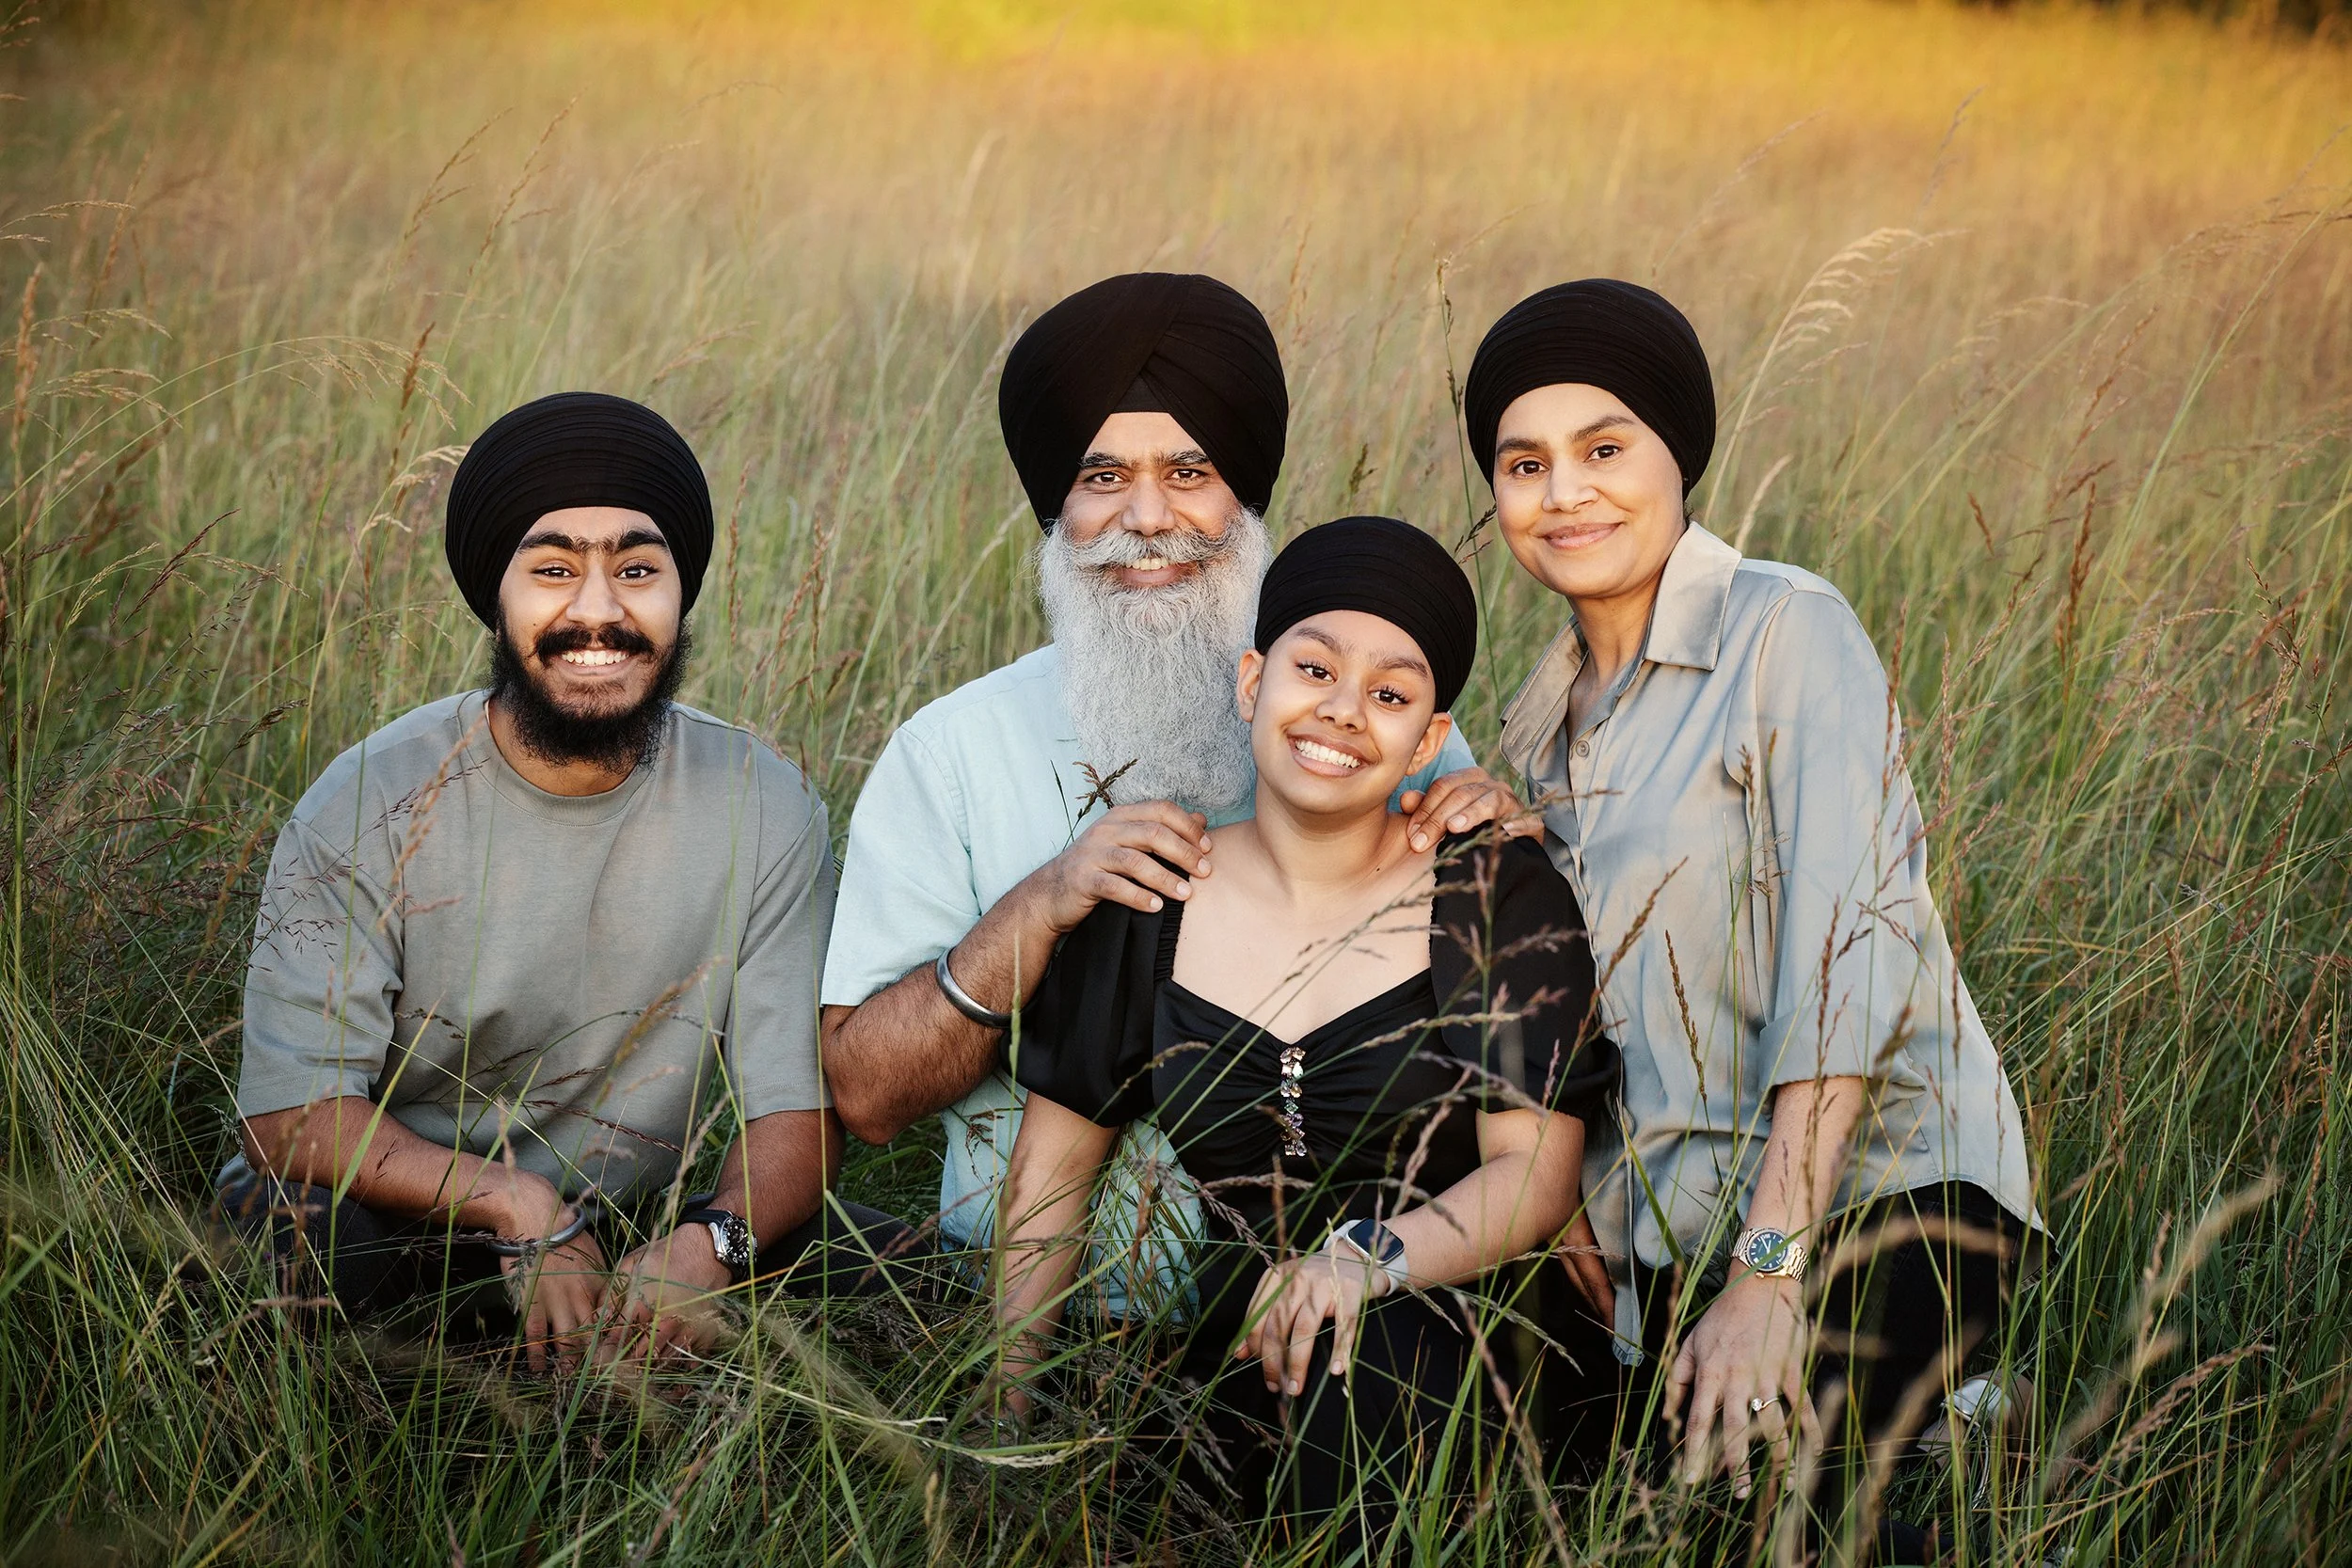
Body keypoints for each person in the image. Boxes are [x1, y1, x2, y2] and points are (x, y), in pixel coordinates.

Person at [1463, 280, 2042, 1547]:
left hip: (1885, 1196)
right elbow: (1566, 1015)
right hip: (1665, 1224)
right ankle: (1929, 1421)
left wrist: (1769, 1271)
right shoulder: (1533, 727)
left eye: (1604, 449)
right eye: (1524, 463)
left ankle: (1955, 1416)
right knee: (1539, 1482)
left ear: (1680, 454)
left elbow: (1852, 953)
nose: (1566, 493)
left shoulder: (1787, 626)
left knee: (1744, 1500)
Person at [818, 274, 1521, 1316]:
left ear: (1244, 496)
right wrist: (1039, 909)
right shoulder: (951, 751)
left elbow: (1501, 1030)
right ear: (1056, 506)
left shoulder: (1358, 718)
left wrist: (1502, 837)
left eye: (1189, 470)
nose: (1147, 519)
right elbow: (866, 1097)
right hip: (1021, 1308)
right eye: (1101, 475)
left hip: (1331, 1323)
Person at [218, 390, 914, 1372]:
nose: (598, 611)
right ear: (495, 599)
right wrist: (515, 1202)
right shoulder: (368, 799)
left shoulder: (766, 806)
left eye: (638, 569)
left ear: (681, 595)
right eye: (552, 569)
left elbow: (792, 1115)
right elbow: (287, 1118)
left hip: (649, 1223)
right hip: (399, 1204)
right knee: (305, 1264)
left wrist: (708, 1245)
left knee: (913, 1287)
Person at [988, 515, 1620, 1546]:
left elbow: (1535, 1176)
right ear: (1251, 682)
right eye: (1313, 667)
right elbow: (1049, 1184)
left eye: (1388, 693)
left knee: (1361, 1374)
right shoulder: (1150, 899)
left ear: (1426, 738)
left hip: (1465, 1328)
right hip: (1243, 1346)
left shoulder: (1495, 888)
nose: (1340, 711)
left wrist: (1360, 1259)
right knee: (1137, 1500)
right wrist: (999, 1421)